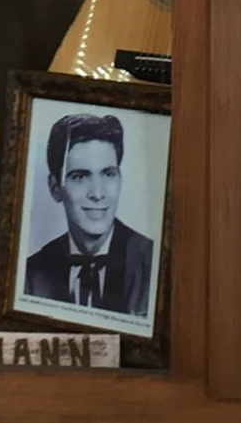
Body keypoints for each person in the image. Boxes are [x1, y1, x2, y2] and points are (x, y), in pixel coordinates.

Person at [24, 113, 153, 316]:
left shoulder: (154, 263)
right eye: (80, 177)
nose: (98, 194)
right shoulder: (31, 274)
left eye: (108, 174)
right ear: (55, 187)